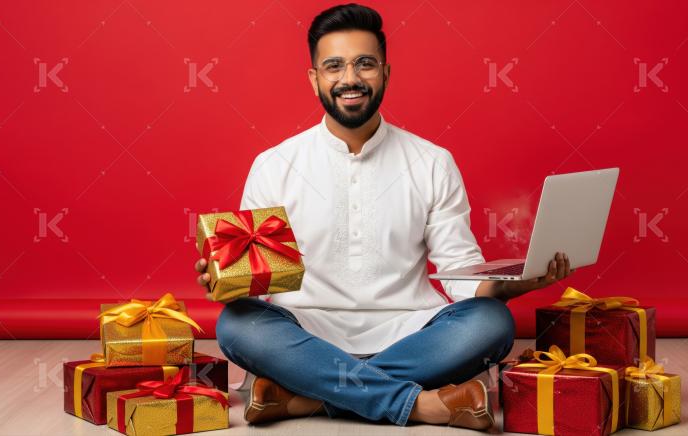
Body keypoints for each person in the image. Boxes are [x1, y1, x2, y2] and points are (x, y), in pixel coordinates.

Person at [195, 3, 573, 431]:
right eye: (334, 66)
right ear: (314, 78)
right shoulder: (274, 164)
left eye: (365, 64)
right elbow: (257, 282)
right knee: (238, 325)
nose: (350, 79)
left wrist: (511, 286)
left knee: (490, 322)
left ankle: (306, 399)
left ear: (386, 74)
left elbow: (458, 276)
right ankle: (423, 405)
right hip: (304, 333)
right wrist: (228, 283)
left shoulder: (432, 162)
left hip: (413, 334)